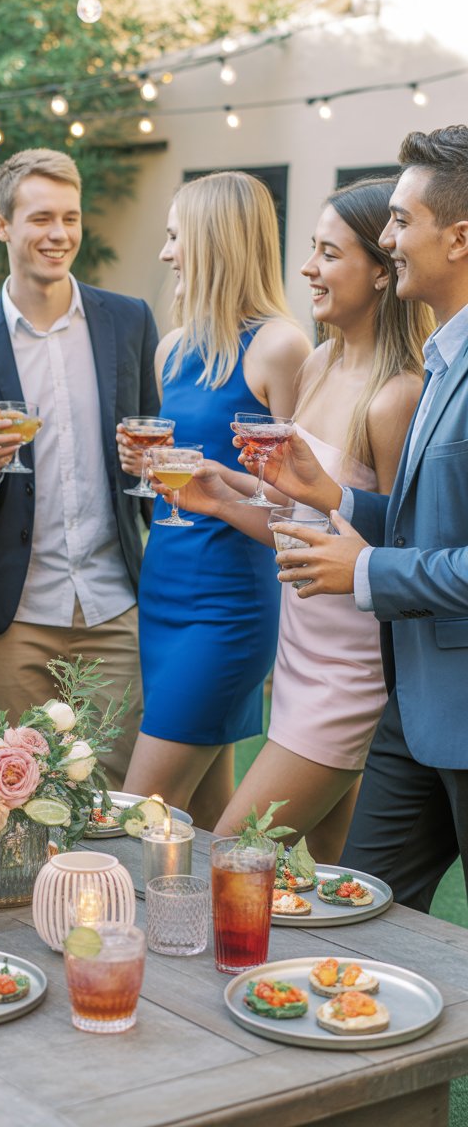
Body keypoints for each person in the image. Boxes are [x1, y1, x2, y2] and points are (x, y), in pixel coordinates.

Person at [159, 179, 432, 860]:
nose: (307, 268)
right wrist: (225, 498)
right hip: (297, 653)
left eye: (328, 254)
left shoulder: (397, 396)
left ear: (380, 270)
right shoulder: (318, 365)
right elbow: (300, 525)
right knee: (331, 879)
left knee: (231, 857)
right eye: (311, 249)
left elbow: (399, 547)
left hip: (351, 672)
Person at [255, 125, 468, 910]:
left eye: (402, 223)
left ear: (459, 238)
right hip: (413, 708)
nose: (389, 239)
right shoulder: (443, 360)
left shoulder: (417, 379)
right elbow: (422, 525)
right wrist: (334, 497)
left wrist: (366, 569)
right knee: (360, 909)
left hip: (437, 700)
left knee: (253, 864)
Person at [0, 148, 159, 788]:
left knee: (113, 791)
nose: (59, 234)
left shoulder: (129, 320)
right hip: (16, 617)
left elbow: (149, 454)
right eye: (40, 218)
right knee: (22, 792)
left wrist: (151, 471)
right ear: (2, 225)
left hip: (114, 608)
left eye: (70, 217)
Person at [118, 172, 311, 829]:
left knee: (140, 811)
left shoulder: (282, 346)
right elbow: (178, 474)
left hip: (227, 607)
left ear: (214, 241)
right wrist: (147, 465)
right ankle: (220, 900)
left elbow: (301, 499)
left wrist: (220, 483)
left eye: (176, 236)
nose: (166, 252)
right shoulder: (172, 350)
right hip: (163, 588)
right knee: (199, 821)